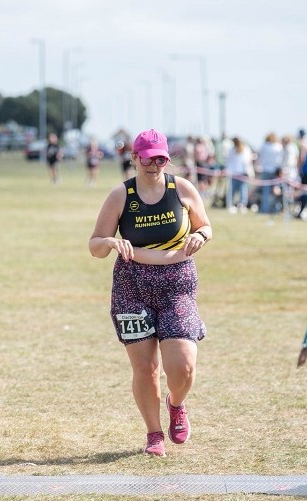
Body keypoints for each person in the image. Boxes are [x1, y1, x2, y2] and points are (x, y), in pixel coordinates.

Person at [88, 128, 211, 457]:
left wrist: (202, 236)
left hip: (177, 285)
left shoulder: (181, 188)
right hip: (132, 286)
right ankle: (154, 433)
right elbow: (95, 245)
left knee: (183, 367)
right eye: (148, 158)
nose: (154, 165)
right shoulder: (121, 196)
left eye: (161, 158)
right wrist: (111, 242)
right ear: (134, 158)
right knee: (146, 368)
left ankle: (177, 403)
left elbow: (205, 225)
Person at [224, 136, 253, 212]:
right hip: (237, 173)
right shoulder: (233, 150)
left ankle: (239, 205)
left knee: (241, 190)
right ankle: (238, 205)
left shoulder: (242, 149)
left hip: (240, 173)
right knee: (239, 190)